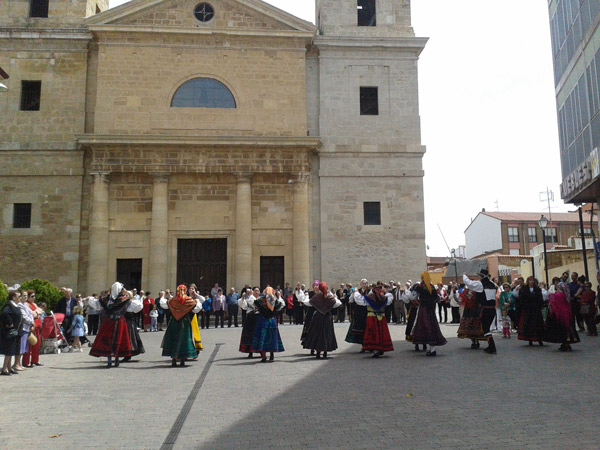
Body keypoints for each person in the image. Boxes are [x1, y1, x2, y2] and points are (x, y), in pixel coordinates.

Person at [89, 282, 133, 368]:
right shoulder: (124, 299)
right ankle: (115, 359)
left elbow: (97, 305)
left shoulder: (106, 299)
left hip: (109, 320)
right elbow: (134, 307)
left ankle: (111, 360)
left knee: (109, 339)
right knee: (117, 339)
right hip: (119, 320)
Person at [161, 285, 202, 367]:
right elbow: (197, 309)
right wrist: (197, 301)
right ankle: (182, 360)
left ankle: (174, 360)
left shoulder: (173, 300)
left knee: (174, 339)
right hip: (185, 323)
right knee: (184, 340)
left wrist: (162, 297)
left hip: (174, 322)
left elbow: (163, 305)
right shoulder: (189, 300)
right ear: (186, 291)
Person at [410, 272, 447, 356]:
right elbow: (437, 298)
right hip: (431, 310)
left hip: (423, 309)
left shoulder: (419, 287)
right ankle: (432, 349)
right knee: (432, 326)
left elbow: (412, 297)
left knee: (425, 326)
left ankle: (431, 349)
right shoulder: (432, 287)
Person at [462, 270, 499, 354]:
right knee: (487, 328)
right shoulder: (493, 284)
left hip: (485, 309)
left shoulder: (480, 284)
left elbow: (469, 283)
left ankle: (492, 347)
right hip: (492, 309)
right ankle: (490, 346)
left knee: (486, 329)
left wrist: (464, 275)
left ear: (481, 276)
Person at [303, 282, 341, 359]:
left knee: (318, 334)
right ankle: (325, 352)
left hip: (318, 317)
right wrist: (335, 297)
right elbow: (338, 303)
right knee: (327, 333)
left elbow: (307, 303)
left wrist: (306, 296)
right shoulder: (330, 297)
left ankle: (318, 352)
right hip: (327, 318)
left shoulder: (317, 296)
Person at [355, 284, 394, 357]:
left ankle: (376, 349)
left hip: (372, 317)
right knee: (381, 332)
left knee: (373, 332)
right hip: (381, 318)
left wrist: (356, 292)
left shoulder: (370, 298)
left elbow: (359, 300)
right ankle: (381, 348)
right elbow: (389, 299)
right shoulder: (384, 298)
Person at [251, 288, 285, 363]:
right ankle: (272, 354)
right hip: (272, 320)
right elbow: (281, 305)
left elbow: (254, 304)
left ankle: (264, 356)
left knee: (263, 337)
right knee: (272, 337)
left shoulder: (261, 300)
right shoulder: (275, 300)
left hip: (263, 320)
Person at [545, 282, 580, 351]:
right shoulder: (566, 295)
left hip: (560, 315)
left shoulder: (558, 295)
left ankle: (565, 344)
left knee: (561, 330)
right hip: (567, 314)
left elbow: (551, 298)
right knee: (568, 329)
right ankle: (565, 343)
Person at [513, 276, 545, 346]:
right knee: (529, 325)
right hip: (528, 310)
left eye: (532, 280)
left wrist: (539, 304)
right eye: (530, 280)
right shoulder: (524, 289)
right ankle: (530, 340)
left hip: (536, 310)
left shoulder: (537, 289)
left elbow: (540, 299)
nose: (531, 282)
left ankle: (539, 339)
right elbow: (521, 299)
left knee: (537, 325)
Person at [1, 291, 23, 375]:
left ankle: (9, 367)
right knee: (9, 351)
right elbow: (4, 313)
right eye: (18, 296)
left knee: (12, 350)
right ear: (13, 297)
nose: (20, 298)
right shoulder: (9, 305)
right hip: (10, 332)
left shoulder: (15, 305)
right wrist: (9, 323)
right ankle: (4, 368)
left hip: (16, 331)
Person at [345, 279, 369, 351]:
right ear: (360, 284)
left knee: (367, 328)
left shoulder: (370, 291)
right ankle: (363, 345)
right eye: (362, 284)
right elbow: (350, 300)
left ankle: (368, 344)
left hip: (367, 311)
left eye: (365, 284)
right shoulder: (357, 291)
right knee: (360, 328)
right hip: (359, 312)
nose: (364, 285)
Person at [122, 291, 145, 362]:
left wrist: (133, 312)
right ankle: (126, 354)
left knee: (131, 337)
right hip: (123, 322)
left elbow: (138, 308)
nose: (125, 296)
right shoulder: (123, 303)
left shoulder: (133, 303)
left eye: (127, 295)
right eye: (125, 295)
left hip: (130, 323)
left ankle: (129, 354)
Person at [23, 290, 43, 368]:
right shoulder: (26, 304)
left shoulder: (34, 304)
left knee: (37, 344)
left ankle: (35, 360)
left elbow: (41, 311)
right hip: (32, 327)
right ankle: (26, 362)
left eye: (34, 296)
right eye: (32, 296)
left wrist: (37, 313)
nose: (34, 298)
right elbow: (32, 314)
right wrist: (37, 313)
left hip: (37, 327)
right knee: (30, 344)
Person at [238, 288, 259, 358]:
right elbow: (243, 306)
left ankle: (261, 351)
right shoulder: (250, 298)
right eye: (255, 291)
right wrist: (244, 297)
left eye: (258, 291)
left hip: (258, 318)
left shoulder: (260, 298)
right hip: (251, 318)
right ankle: (250, 352)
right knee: (250, 335)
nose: (257, 292)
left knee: (259, 335)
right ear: (253, 292)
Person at [300, 281, 319, 350]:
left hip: (319, 311)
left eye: (317, 285)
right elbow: (306, 302)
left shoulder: (320, 294)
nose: (316, 286)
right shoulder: (310, 293)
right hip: (311, 312)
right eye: (314, 285)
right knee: (309, 328)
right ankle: (310, 345)